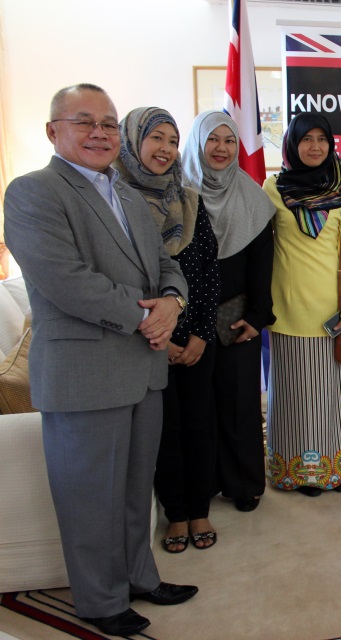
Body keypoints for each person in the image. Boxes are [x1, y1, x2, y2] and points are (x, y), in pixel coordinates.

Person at [3, 84, 197, 637]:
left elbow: (166, 265)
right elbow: (66, 281)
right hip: (85, 373)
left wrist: (173, 302)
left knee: (137, 490)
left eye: (109, 124)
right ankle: (97, 599)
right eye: (84, 121)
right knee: (89, 496)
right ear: (53, 131)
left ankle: (139, 575)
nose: (100, 133)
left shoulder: (131, 195)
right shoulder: (32, 192)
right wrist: (147, 317)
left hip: (143, 369)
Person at [114, 107, 222, 550]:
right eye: (155, 137)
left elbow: (209, 272)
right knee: (163, 430)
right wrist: (163, 335)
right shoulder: (116, 200)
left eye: (172, 140)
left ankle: (199, 510)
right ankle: (174, 513)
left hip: (195, 336)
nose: (165, 149)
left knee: (200, 424)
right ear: (132, 141)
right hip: (146, 339)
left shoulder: (189, 199)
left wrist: (197, 334)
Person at [264, 113, 341, 494]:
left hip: (331, 310)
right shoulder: (272, 188)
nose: (315, 146)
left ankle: (333, 467)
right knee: (293, 395)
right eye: (307, 139)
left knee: (327, 394)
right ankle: (298, 471)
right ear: (293, 143)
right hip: (287, 305)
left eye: (323, 139)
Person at [183, 111, 275, 512]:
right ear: (198, 143)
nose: (221, 148)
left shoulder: (252, 195)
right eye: (212, 140)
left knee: (240, 404)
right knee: (196, 406)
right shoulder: (179, 195)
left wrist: (257, 317)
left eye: (229, 141)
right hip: (186, 319)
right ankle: (201, 484)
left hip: (236, 316)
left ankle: (244, 484)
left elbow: (263, 264)